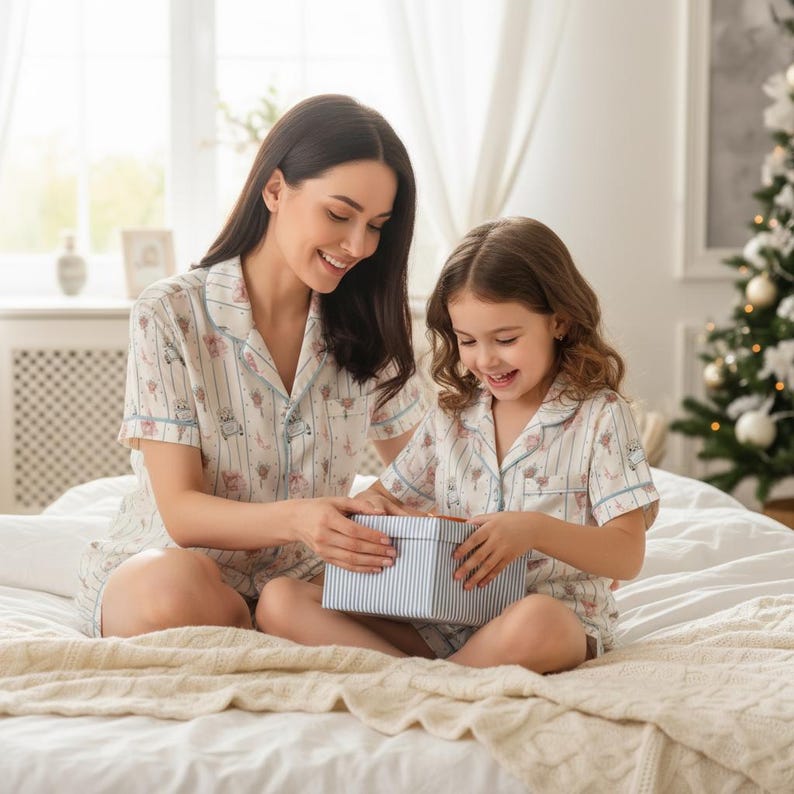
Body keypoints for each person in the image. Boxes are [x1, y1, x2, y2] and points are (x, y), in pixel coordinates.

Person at [75, 94, 428, 638]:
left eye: (377, 225)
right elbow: (182, 514)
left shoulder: (372, 324)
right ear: (275, 189)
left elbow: (428, 475)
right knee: (170, 596)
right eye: (339, 214)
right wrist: (301, 519)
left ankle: (270, 629)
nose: (358, 245)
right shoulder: (170, 313)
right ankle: (262, 632)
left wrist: (389, 506)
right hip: (174, 565)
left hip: (304, 586)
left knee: (450, 614)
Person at [257, 216, 660, 674]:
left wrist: (530, 530)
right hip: (442, 621)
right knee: (279, 599)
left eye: (505, 339)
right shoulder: (452, 416)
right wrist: (376, 513)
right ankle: (430, 678)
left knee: (539, 622)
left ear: (559, 322)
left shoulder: (601, 416)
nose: (485, 359)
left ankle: (421, 679)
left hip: (548, 620)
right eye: (467, 340)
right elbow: (384, 496)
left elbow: (627, 555)